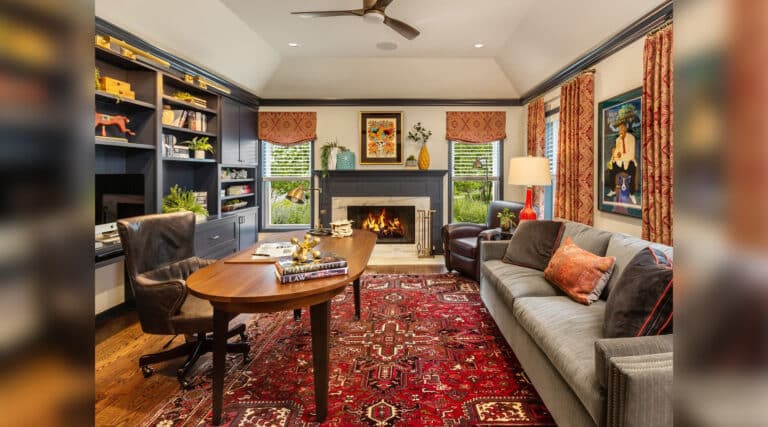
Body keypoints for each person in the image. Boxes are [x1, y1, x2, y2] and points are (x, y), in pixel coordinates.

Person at [605, 120, 638, 204]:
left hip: (629, 161)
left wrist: (620, 156)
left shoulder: (631, 138)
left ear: (625, 128)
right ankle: (613, 190)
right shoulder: (618, 139)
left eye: (622, 128)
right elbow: (616, 152)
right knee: (611, 169)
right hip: (620, 162)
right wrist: (613, 158)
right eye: (619, 129)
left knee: (632, 170)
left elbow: (631, 154)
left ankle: (632, 194)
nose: (620, 130)